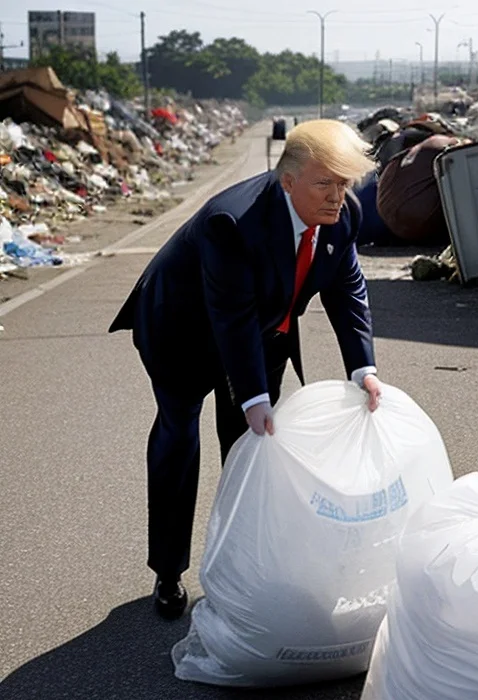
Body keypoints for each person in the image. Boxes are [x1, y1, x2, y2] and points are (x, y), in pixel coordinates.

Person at [109, 119, 382, 620]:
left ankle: (238, 566)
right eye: (325, 183)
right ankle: (168, 571)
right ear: (288, 181)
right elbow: (229, 316)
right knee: (179, 436)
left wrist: (362, 368)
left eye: (344, 183)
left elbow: (347, 290)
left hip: (260, 332)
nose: (337, 196)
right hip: (181, 331)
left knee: (250, 449)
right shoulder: (232, 222)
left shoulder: (345, 215)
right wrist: (254, 398)